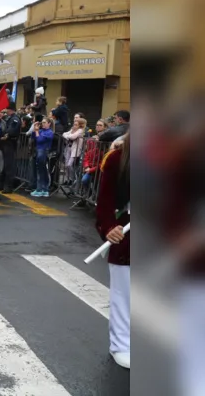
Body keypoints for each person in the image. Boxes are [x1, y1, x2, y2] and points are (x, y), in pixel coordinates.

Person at [95, 134, 130, 369]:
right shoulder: (118, 157)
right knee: (125, 293)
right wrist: (108, 227)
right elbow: (105, 200)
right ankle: (122, 344)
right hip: (128, 234)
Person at [31, 118, 55, 197]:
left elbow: (40, 140)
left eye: (44, 122)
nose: (43, 124)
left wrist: (37, 131)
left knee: (42, 171)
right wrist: (35, 129)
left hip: (44, 152)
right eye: (42, 122)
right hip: (39, 152)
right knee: (41, 171)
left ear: (49, 124)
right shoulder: (41, 131)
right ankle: (43, 190)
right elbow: (33, 137)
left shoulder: (50, 132)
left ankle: (41, 189)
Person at [1, 102, 21, 194]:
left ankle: (8, 186)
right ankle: (2, 184)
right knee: (5, 165)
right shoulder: (10, 118)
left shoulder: (15, 119)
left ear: (10, 109)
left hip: (10, 143)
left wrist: (7, 134)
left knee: (9, 165)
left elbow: (12, 130)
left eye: (7, 109)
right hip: (7, 143)